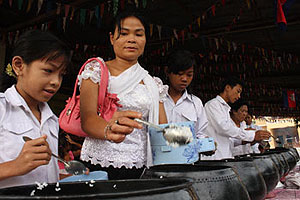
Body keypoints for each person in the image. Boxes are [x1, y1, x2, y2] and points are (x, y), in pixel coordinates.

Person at [79, 10, 168, 180]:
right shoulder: (96, 71)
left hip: (142, 167)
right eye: (124, 33)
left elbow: (162, 129)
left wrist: (187, 144)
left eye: (139, 34)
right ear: (112, 38)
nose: (132, 39)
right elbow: (88, 119)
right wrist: (108, 129)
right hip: (100, 163)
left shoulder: (153, 83)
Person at [0, 30, 71, 188]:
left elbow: (43, 174)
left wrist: (65, 175)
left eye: (61, 75)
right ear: (19, 66)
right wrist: (15, 166)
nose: (56, 82)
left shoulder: (52, 119)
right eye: (49, 71)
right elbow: (20, 167)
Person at [202, 76, 271, 160]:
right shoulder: (213, 105)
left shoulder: (225, 108)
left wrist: (251, 139)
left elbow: (229, 140)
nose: (239, 96)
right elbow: (224, 128)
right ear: (227, 88)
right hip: (215, 158)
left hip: (225, 157)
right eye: (238, 91)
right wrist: (251, 135)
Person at [163, 49, 208, 138]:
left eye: (189, 75)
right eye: (180, 74)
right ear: (167, 71)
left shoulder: (195, 103)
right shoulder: (157, 99)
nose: (184, 79)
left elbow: (201, 133)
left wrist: (207, 145)